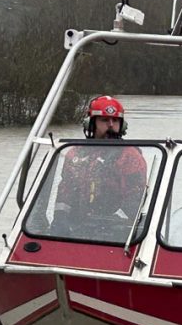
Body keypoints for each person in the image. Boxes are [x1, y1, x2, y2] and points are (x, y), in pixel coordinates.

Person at [51, 96, 148, 239]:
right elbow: (66, 190)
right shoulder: (75, 152)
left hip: (115, 230)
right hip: (78, 226)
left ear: (122, 125)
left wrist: (119, 225)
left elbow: (135, 198)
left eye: (115, 121)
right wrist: (60, 218)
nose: (110, 125)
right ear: (90, 124)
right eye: (104, 120)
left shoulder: (130, 155)